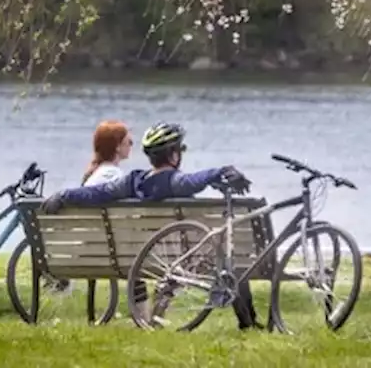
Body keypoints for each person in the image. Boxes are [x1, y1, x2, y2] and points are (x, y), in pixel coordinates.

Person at [41, 122, 259, 329]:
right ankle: (248, 323)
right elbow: (193, 180)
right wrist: (220, 171)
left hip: (141, 259)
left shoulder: (132, 183)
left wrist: (64, 195)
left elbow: (96, 193)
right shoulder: (175, 183)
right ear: (174, 155)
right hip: (179, 260)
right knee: (234, 259)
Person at [82, 120, 133, 186]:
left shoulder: (96, 173)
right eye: (129, 141)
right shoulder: (113, 176)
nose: (131, 145)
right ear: (117, 147)